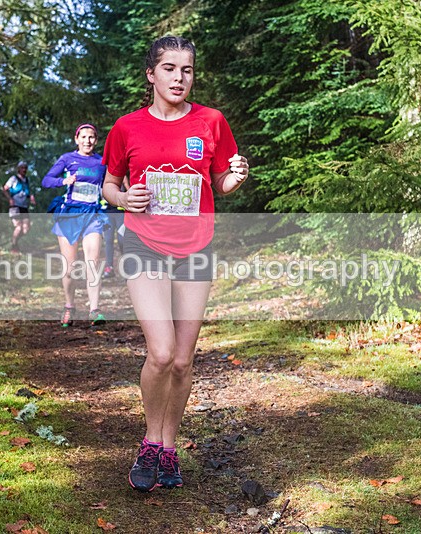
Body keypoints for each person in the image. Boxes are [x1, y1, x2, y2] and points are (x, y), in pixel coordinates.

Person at [102, 36, 249, 492]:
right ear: (151, 74)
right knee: (161, 351)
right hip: (144, 245)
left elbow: (220, 181)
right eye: (168, 69)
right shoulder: (126, 127)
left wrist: (235, 178)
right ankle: (149, 440)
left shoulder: (211, 122)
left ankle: (169, 447)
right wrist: (125, 197)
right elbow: (109, 184)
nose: (178, 78)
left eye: (186, 70)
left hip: (196, 248)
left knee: (183, 361)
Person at [42, 124, 108, 327]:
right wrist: (64, 181)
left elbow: (109, 186)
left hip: (92, 215)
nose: (88, 141)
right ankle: (69, 306)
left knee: (93, 262)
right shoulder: (67, 159)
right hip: (69, 215)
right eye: (84, 137)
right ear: (76, 139)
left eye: (92, 137)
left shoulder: (101, 162)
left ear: (96, 140)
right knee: (70, 268)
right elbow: (46, 181)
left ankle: (94, 310)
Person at [2, 161, 36, 253]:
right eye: (22, 167)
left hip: (24, 207)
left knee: (26, 229)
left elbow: (28, 192)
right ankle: (13, 246)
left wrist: (32, 198)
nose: (24, 169)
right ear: (18, 169)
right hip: (15, 206)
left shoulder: (27, 180)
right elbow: (4, 189)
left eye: (25, 168)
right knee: (19, 227)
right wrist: (10, 199)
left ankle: (14, 241)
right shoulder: (14, 178)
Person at [100, 177, 128, 278]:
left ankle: (127, 267)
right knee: (108, 240)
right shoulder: (101, 171)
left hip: (120, 213)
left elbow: (127, 186)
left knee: (122, 240)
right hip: (106, 213)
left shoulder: (122, 172)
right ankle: (109, 268)